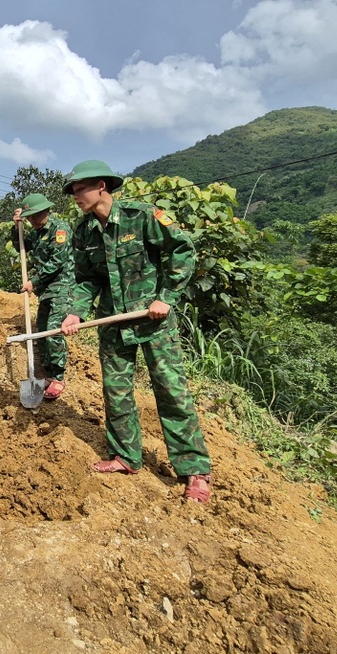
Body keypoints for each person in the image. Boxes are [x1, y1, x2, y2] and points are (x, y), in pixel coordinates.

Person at [59, 159, 212, 503]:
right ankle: (125, 457)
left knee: (171, 392)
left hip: (153, 320)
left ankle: (194, 470)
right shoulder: (84, 233)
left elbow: (183, 249)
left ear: (101, 186)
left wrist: (166, 297)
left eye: (79, 189)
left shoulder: (141, 216)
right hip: (113, 322)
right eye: (71, 192)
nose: (75, 197)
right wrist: (75, 312)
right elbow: (87, 280)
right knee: (116, 392)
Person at [12, 192, 74, 399]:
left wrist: (33, 281)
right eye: (29, 218)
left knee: (54, 330)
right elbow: (21, 245)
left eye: (36, 216)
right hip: (46, 291)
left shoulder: (60, 229)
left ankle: (58, 377)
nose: (33, 221)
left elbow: (57, 261)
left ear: (46, 211)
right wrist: (16, 227)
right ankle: (47, 373)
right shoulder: (37, 233)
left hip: (62, 287)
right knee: (43, 330)